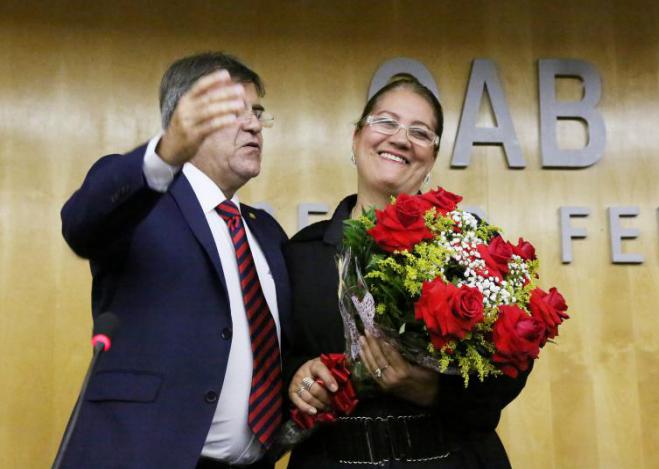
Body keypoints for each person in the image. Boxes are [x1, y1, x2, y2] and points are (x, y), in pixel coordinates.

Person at [283, 75, 529, 468]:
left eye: (420, 132)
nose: (400, 138)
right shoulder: (301, 253)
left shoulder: (471, 248)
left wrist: (433, 391)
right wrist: (299, 379)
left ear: (432, 157)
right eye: (386, 122)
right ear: (356, 138)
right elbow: (267, 362)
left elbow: (512, 366)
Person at [59, 52, 290, 469]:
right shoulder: (141, 200)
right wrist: (164, 155)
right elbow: (81, 224)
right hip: (142, 457)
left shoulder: (267, 233)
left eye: (257, 113)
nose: (254, 125)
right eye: (235, 112)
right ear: (185, 120)